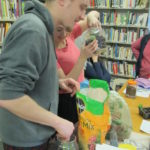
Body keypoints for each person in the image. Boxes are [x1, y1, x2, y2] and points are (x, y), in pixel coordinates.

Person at [0, 0, 89, 149]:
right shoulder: (33, 30)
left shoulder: (45, 29)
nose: (82, 16)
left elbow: (32, 75)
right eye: (82, 7)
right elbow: (7, 94)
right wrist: (58, 122)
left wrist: (55, 82)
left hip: (34, 136)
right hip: (25, 141)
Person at [54, 11, 100, 124]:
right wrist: (83, 56)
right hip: (67, 100)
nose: (65, 34)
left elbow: (94, 14)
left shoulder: (69, 36)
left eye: (67, 28)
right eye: (59, 30)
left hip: (80, 92)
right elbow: (65, 85)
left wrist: (91, 17)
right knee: (71, 132)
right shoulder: (51, 51)